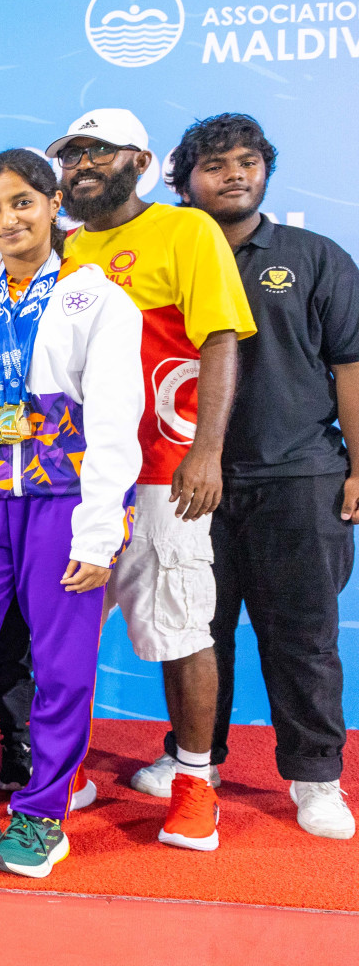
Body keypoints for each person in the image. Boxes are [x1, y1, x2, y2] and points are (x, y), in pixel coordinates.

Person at [0, 149, 143, 877]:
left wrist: (100, 530)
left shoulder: (98, 298)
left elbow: (112, 420)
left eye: (22, 203)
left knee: (61, 665)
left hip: (60, 505)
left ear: (52, 205)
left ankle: (42, 815)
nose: (8, 220)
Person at [51, 108, 256, 852]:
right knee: (61, 628)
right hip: (72, 478)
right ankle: (62, 769)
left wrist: (206, 453)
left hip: (164, 473)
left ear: (138, 159)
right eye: (70, 156)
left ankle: (195, 782)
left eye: (95, 152)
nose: (81, 166)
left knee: (179, 626)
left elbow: (220, 339)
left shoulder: (185, 231)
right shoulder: (61, 249)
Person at [168, 113, 356, 840]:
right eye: (215, 166)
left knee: (302, 637)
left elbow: (351, 365)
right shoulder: (171, 257)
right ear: (184, 182)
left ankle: (315, 778)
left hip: (299, 477)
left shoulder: (314, 257)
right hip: (187, 482)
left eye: (248, 161)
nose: (235, 175)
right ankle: (196, 764)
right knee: (195, 631)